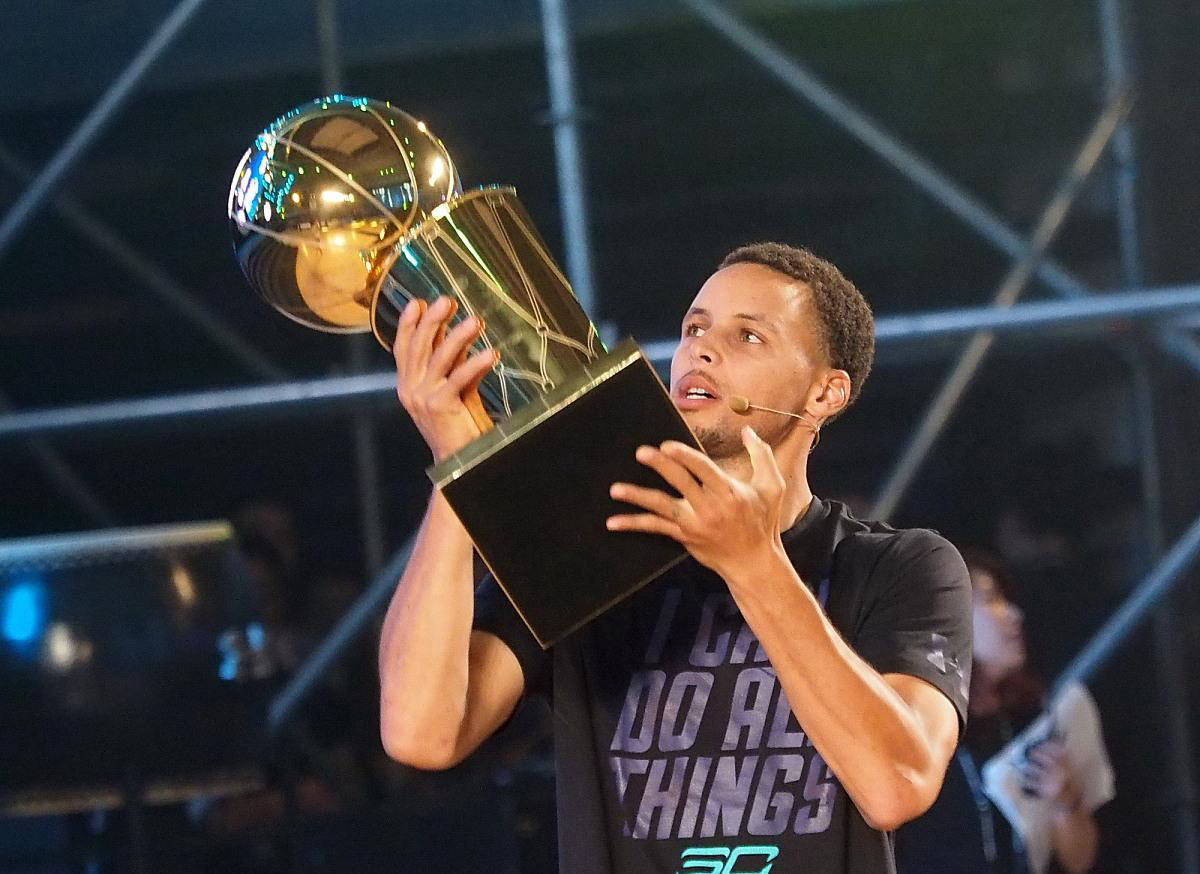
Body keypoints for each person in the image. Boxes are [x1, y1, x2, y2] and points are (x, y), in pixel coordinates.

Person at [378, 242, 973, 873]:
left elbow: (896, 786)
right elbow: (421, 733)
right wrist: (460, 469)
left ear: (826, 392)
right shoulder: (591, 547)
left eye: (748, 336)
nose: (701, 351)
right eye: (694, 329)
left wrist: (753, 564)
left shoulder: (901, 566)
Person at [895, 550, 1105, 874]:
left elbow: (1079, 861)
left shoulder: (1031, 719)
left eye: (1005, 599)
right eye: (991, 600)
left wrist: (1065, 800)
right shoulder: (913, 723)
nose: (1014, 615)